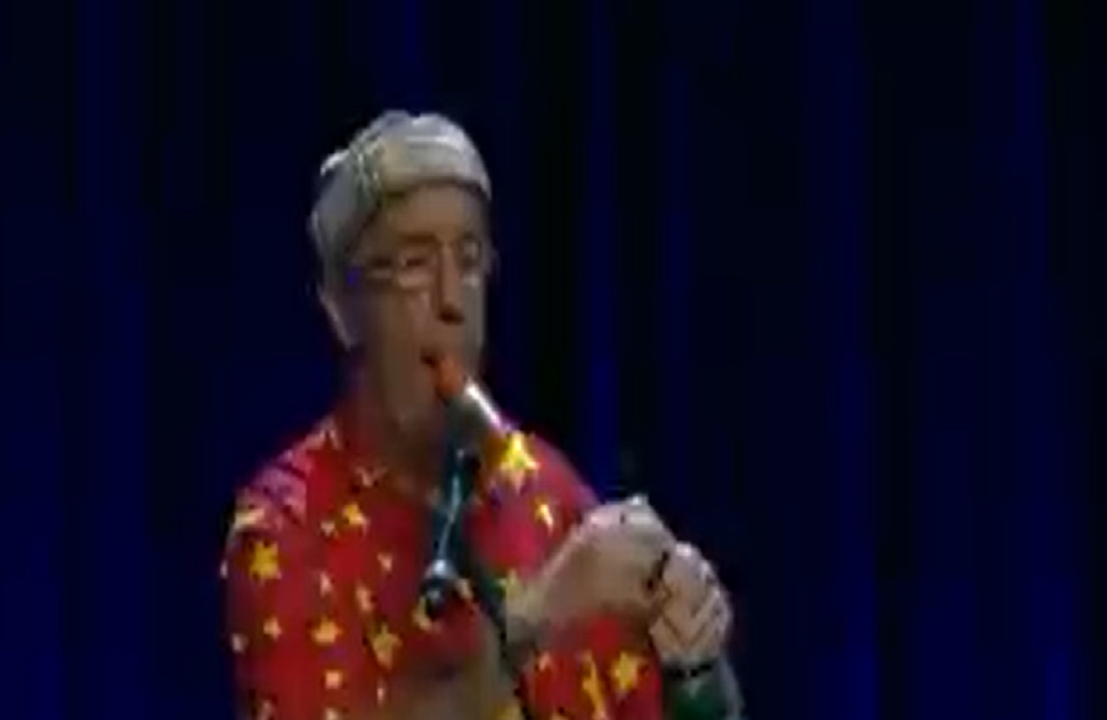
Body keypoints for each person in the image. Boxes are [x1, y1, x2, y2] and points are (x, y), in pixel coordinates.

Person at [221, 112, 744, 720]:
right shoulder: (284, 523)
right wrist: (545, 608)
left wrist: (694, 661)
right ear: (342, 307)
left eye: (469, 262)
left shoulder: (545, 489)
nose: (452, 300)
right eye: (414, 265)